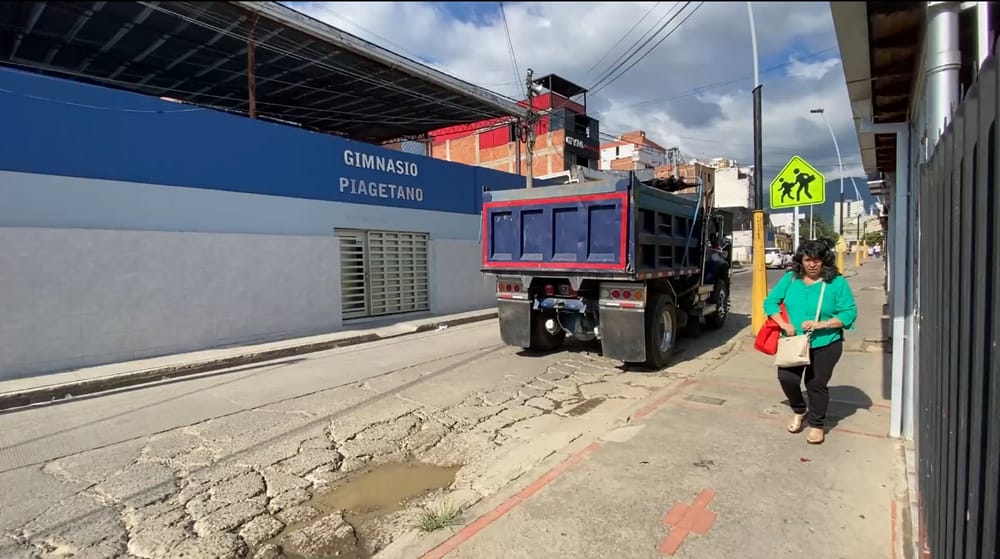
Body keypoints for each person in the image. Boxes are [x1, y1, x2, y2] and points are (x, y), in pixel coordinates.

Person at [763, 240, 858, 444]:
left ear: (825, 262)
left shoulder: (836, 283)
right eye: (808, 260)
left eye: (817, 260)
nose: (812, 264)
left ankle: (817, 424)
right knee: (787, 378)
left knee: (815, 384)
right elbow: (770, 302)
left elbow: (849, 313)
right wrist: (783, 323)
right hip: (794, 340)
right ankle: (799, 410)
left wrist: (822, 324)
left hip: (826, 342)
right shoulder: (790, 278)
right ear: (801, 261)